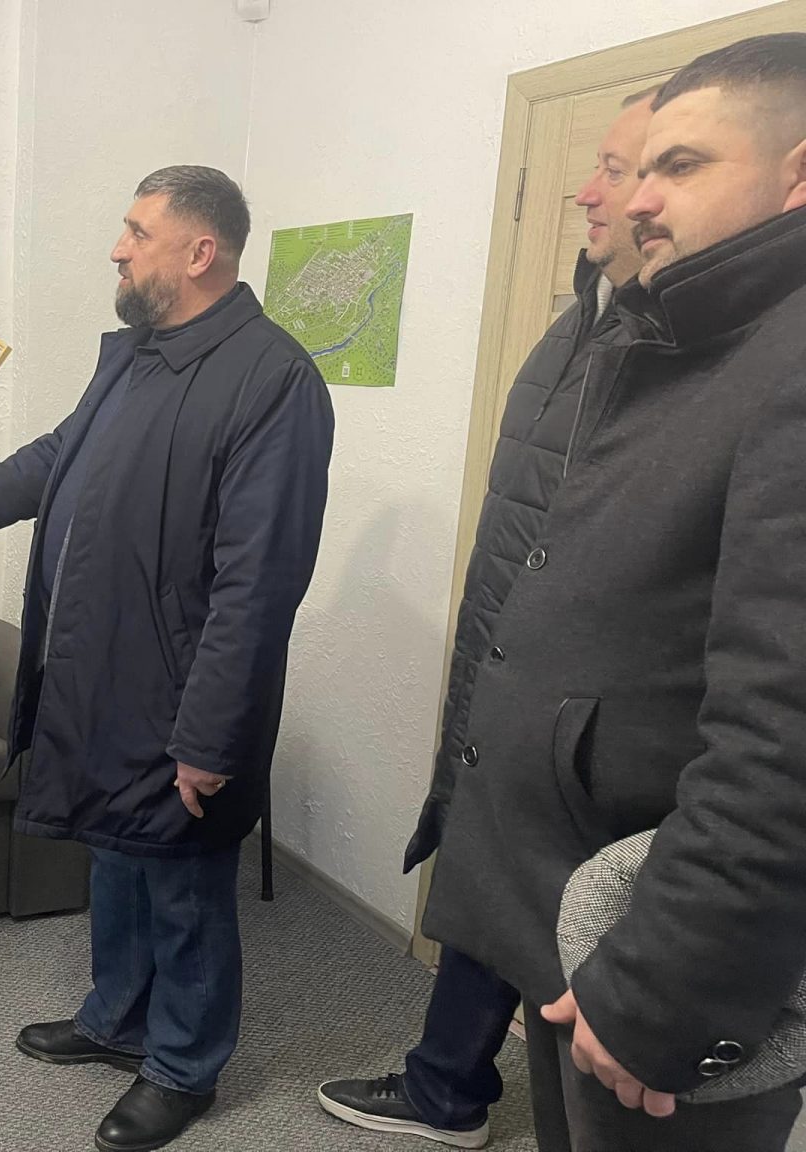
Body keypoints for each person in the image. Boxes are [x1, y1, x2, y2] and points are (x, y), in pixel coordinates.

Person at [423, 33, 806, 1152]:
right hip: (581, 904)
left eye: (680, 165)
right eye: (637, 169)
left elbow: (786, 731)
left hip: (658, 944)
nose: (637, 199)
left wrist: (660, 988)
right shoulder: (683, 337)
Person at [0, 165, 333, 1152]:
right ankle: (116, 1017)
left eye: (137, 232)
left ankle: (185, 1065)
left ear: (200, 252)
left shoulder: (273, 380)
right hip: (104, 671)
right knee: (116, 859)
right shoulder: (138, 357)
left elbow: (258, 582)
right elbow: (57, 456)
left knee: (185, 885)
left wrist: (210, 737)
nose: (118, 248)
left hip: (184, 694)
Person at [316, 90, 657, 1150]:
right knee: (486, 865)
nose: (586, 190)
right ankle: (447, 1088)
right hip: (510, 664)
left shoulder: (687, 352)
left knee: (574, 931)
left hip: (594, 707)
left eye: (619, 168)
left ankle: (462, 1091)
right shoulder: (580, 324)